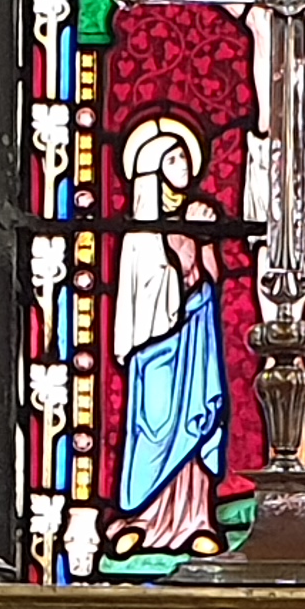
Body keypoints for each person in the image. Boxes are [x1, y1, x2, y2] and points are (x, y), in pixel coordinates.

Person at [110, 116, 228, 553]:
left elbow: (211, 275)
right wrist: (186, 238)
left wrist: (205, 238)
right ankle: (142, 518)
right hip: (157, 344)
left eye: (183, 157)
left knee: (197, 417)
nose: (183, 166)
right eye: (173, 159)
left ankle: (197, 520)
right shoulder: (142, 229)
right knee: (155, 425)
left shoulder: (196, 213)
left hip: (197, 330)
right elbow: (153, 287)